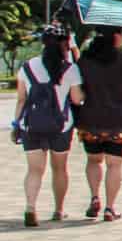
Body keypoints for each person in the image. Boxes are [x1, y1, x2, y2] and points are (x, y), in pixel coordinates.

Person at [12, 24, 84, 226]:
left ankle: (30, 208)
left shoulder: (27, 67)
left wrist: (16, 123)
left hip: (31, 126)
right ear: (64, 44)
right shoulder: (70, 68)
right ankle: (59, 210)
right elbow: (77, 99)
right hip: (61, 126)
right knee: (59, 168)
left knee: (34, 170)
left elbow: (21, 99)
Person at [76, 27, 122, 221]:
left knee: (93, 160)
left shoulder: (84, 60)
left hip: (91, 118)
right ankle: (110, 208)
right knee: (114, 165)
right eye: (121, 34)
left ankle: (94, 197)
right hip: (119, 120)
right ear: (115, 37)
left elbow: (77, 90)